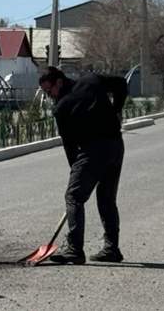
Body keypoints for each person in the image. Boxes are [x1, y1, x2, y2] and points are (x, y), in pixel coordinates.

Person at [38, 66, 128, 264]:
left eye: (49, 90)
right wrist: (117, 110)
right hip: (115, 146)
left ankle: (74, 249)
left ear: (59, 82)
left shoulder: (62, 107)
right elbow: (121, 83)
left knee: (74, 196)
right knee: (106, 199)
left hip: (93, 150)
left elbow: (70, 147)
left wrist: (77, 174)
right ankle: (112, 249)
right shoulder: (91, 80)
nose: (49, 95)